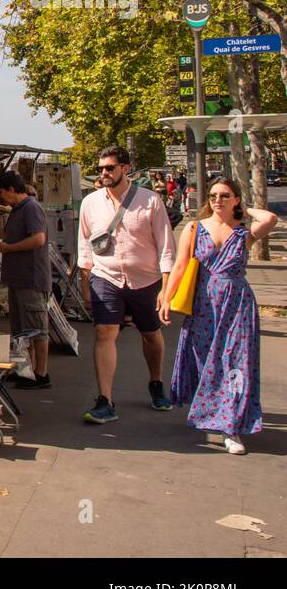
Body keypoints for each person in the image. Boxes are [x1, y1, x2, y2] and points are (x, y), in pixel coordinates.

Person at [160, 177, 277, 454]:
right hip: (204, 303)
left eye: (225, 195)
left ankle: (231, 428)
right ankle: (212, 413)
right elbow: (179, 266)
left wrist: (245, 210)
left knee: (235, 362)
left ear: (236, 198)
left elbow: (270, 218)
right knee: (205, 361)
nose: (218, 201)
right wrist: (166, 299)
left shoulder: (243, 232)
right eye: (213, 196)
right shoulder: (194, 228)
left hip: (238, 303)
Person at [77, 145, 177, 423]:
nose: (104, 173)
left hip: (145, 279)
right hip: (105, 276)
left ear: (125, 168)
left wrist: (166, 292)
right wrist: (86, 282)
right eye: (101, 169)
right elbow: (84, 245)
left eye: (110, 168)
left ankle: (156, 382)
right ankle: (105, 400)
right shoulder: (90, 203)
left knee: (150, 334)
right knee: (105, 332)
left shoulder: (150, 201)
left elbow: (167, 248)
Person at [0, 170, 52, 388]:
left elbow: (38, 238)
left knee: (37, 329)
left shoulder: (31, 208)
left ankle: (41, 373)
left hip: (31, 278)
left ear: (11, 189)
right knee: (22, 330)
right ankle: (26, 369)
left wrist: (9, 248)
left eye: (1, 191)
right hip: (18, 278)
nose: (0, 196)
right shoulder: (18, 210)